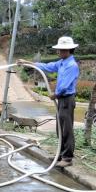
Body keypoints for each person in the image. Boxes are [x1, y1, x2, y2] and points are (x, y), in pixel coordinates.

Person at [18, 36, 80, 168]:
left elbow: (65, 86)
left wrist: (55, 95)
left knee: (66, 128)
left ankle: (67, 158)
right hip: (62, 99)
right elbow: (47, 66)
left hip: (66, 99)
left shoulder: (71, 65)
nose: (58, 52)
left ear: (69, 50)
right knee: (60, 128)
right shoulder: (62, 63)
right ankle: (60, 154)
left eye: (61, 50)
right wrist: (28, 63)